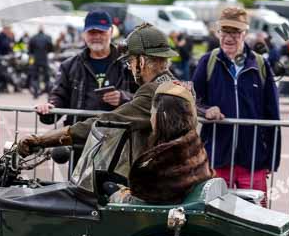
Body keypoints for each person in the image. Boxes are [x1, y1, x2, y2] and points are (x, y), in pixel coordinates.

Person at [18, 23, 180, 160]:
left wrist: (41, 140)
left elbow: (108, 121)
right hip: (177, 174)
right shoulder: (173, 85)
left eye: (130, 61)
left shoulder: (154, 93)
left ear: (142, 61)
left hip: (161, 182)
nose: (129, 67)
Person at [192, 6, 281, 202]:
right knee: (215, 218)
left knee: (256, 221)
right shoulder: (208, 61)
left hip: (253, 160)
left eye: (235, 32)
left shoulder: (259, 64)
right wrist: (206, 110)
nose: (229, 38)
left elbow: (272, 113)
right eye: (224, 32)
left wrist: (271, 160)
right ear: (218, 32)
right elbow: (193, 99)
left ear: (245, 33)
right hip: (217, 158)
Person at [109, 81, 212, 205]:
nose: (151, 118)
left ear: (162, 116)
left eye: (152, 113)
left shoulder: (161, 161)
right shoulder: (193, 145)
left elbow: (140, 204)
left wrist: (117, 194)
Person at [34, 11, 133, 131]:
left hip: (118, 137)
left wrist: (123, 98)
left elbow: (146, 98)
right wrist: (50, 107)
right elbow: (59, 96)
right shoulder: (69, 66)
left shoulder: (128, 64)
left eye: (101, 32)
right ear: (84, 34)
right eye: (92, 32)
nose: (96, 37)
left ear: (111, 32)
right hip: (79, 137)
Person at [27, 27, 53, 95]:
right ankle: (48, 90)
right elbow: (51, 48)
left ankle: (36, 91)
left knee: (35, 76)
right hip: (44, 59)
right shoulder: (48, 37)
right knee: (46, 76)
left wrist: (31, 57)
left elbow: (30, 50)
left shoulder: (33, 37)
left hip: (35, 59)